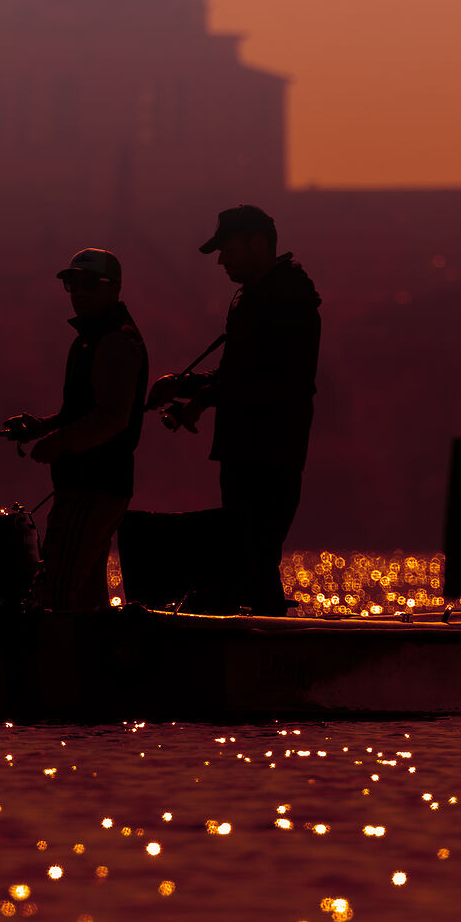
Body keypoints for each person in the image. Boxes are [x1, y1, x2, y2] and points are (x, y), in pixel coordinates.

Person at [147, 205, 321, 615]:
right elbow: (236, 374)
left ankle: (269, 644)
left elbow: (268, 381)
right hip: (246, 451)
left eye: (227, 249)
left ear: (256, 244)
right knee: (249, 560)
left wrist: (203, 399)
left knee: (255, 557)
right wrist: (184, 385)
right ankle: (266, 639)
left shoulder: (287, 302)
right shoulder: (257, 299)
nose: (221, 260)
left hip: (270, 453)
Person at [4, 248, 149, 611]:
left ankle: (57, 665)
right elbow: (83, 412)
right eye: (72, 284)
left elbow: (113, 417)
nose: (78, 292)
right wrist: (42, 427)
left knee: (56, 592)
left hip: (94, 486)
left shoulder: (115, 340)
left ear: (114, 288)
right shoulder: (90, 338)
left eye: (88, 284)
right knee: (86, 597)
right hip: (86, 485)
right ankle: (91, 665)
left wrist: (59, 442)